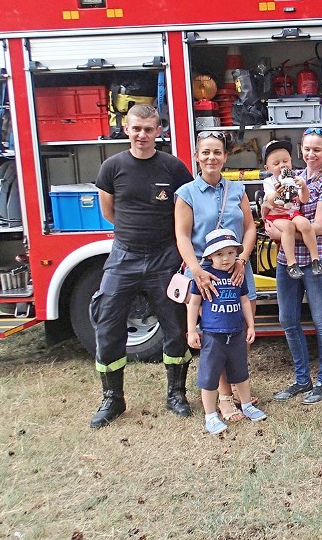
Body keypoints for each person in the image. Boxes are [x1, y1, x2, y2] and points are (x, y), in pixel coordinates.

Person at [89, 104, 194, 429]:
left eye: (149, 129)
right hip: (124, 256)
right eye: (136, 128)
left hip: (165, 257)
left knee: (175, 326)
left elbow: (186, 206)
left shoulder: (173, 167)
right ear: (126, 128)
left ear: (159, 131)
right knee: (108, 325)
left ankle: (176, 394)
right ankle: (113, 399)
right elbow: (109, 210)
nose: (142, 135)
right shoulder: (112, 166)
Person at [175, 130, 258, 423]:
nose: (212, 157)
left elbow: (249, 228)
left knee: (238, 334)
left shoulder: (237, 190)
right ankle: (224, 398)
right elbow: (182, 236)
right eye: (205, 152)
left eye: (217, 152)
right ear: (197, 157)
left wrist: (242, 259)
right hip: (205, 276)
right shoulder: (186, 194)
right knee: (216, 334)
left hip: (238, 270)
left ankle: (238, 386)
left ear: (225, 156)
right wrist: (196, 270)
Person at [262, 127, 322, 405]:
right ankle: (301, 379)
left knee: (321, 320)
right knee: (288, 320)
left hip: (318, 255)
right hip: (289, 259)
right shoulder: (291, 176)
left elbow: (319, 227)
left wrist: (279, 234)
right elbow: (269, 207)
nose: (311, 154)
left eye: (317, 149)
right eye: (306, 149)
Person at [186, 229, 266, 434]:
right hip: (213, 335)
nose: (226, 259)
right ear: (210, 256)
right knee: (210, 376)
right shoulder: (204, 276)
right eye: (220, 254)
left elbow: (245, 301)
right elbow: (194, 304)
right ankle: (210, 415)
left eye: (231, 253)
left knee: (241, 372)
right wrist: (192, 330)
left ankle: (247, 405)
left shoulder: (237, 275)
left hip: (237, 332)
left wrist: (251, 326)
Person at [261, 139, 322, 279]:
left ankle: (315, 259)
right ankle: (291, 263)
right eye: (276, 163)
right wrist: (278, 192)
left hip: (293, 212)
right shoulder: (269, 181)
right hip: (276, 216)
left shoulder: (296, 177)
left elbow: (304, 199)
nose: (282, 166)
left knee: (305, 224)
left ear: (291, 161)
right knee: (288, 227)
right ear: (267, 168)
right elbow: (271, 200)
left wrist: (303, 186)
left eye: (285, 161)